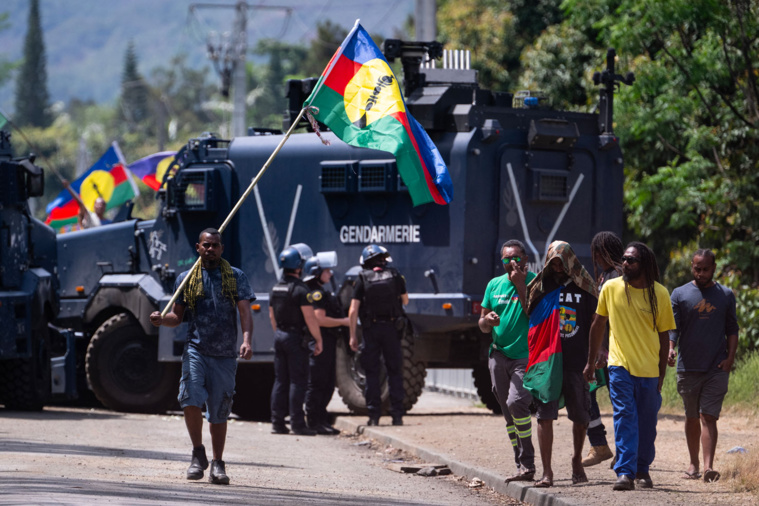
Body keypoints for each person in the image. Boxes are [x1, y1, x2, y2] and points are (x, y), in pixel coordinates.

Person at [149, 228, 254, 485]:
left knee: (219, 411)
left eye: (215, 245)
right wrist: (162, 321)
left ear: (221, 248)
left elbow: (244, 312)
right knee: (190, 398)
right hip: (195, 349)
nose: (210, 249)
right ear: (198, 247)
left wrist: (247, 340)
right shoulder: (186, 279)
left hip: (225, 354)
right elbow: (177, 317)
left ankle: (218, 463)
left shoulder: (235, 277)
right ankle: (198, 453)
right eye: (206, 245)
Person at [584, 241, 676, 491]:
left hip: (648, 370)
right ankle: (625, 472)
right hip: (619, 366)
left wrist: (661, 374)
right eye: (624, 259)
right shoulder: (611, 288)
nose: (624, 263)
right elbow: (598, 325)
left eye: (631, 260)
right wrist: (591, 362)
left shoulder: (660, 294)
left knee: (646, 423)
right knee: (624, 417)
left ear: (644, 263)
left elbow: (662, 336)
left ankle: (643, 469)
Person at [524, 241, 598, 488]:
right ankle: (547, 472)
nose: (557, 267)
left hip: (578, 362)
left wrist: (596, 355)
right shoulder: (540, 288)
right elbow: (529, 317)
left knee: (580, 416)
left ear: (570, 262)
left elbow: (597, 323)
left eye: (561, 262)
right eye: (553, 262)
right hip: (547, 362)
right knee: (544, 416)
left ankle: (577, 460)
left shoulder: (586, 288)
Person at [668, 249, 739, 483]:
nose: (701, 273)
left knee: (708, 416)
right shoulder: (679, 294)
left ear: (714, 268)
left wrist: (730, 359)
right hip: (687, 367)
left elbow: (732, 329)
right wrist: (670, 348)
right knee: (691, 417)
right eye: (697, 269)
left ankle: (708, 467)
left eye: (705, 269)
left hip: (715, 367)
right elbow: (673, 328)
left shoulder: (726, 295)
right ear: (692, 266)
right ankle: (693, 464)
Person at [478, 239, 536, 483]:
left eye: (515, 257)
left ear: (525, 258)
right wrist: (487, 320)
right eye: (506, 259)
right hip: (498, 355)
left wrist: (520, 284)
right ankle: (519, 461)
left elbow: (533, 313)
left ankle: (528, 462)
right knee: (507, 413)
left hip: (525, 355)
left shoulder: (534, 280)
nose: (511, 262)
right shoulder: (494, 285)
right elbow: (481, 324)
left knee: (517, 403)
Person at [348, 244, 408, 426]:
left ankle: (374, 416)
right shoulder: (396, 275)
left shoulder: (361, 278)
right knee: (394, 372)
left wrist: (352, 335)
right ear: (383, 260)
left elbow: (353, 310)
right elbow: (405, 300)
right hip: (391, 328)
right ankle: (397, 415)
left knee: (372, 372)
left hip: (371, 330)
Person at [269, 244, 323, 436]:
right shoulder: (301, 290)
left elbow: (272, 316)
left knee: (280, 380)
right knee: (298, 381)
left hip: (279, 336)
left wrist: (279, 334)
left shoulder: (276, 287)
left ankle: (277, 423)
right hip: (295, 338)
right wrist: (318, 339)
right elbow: (310, 318)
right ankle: (298, 424)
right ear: (299, 266)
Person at [582, 231, 624, 467]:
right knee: (587, 394)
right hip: (603, 349)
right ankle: (600, 445)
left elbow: (607, 319)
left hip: (611, 351)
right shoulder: (606, 275)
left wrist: (601, 350)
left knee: (619, 401)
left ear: (604, 252)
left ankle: (620, 450)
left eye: (597, 252)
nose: (595, 257)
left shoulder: (616, 276)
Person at [303, 251, 349, 435]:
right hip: (319, 341)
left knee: (328, 382)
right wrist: (343, 322)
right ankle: (314, 421)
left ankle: (321, 419)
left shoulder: (321, 290)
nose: (330, 274)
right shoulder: (315, 293)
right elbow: (319, 319)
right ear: (317, 272)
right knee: (318, 382)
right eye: (327, 270)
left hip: (328, 341)